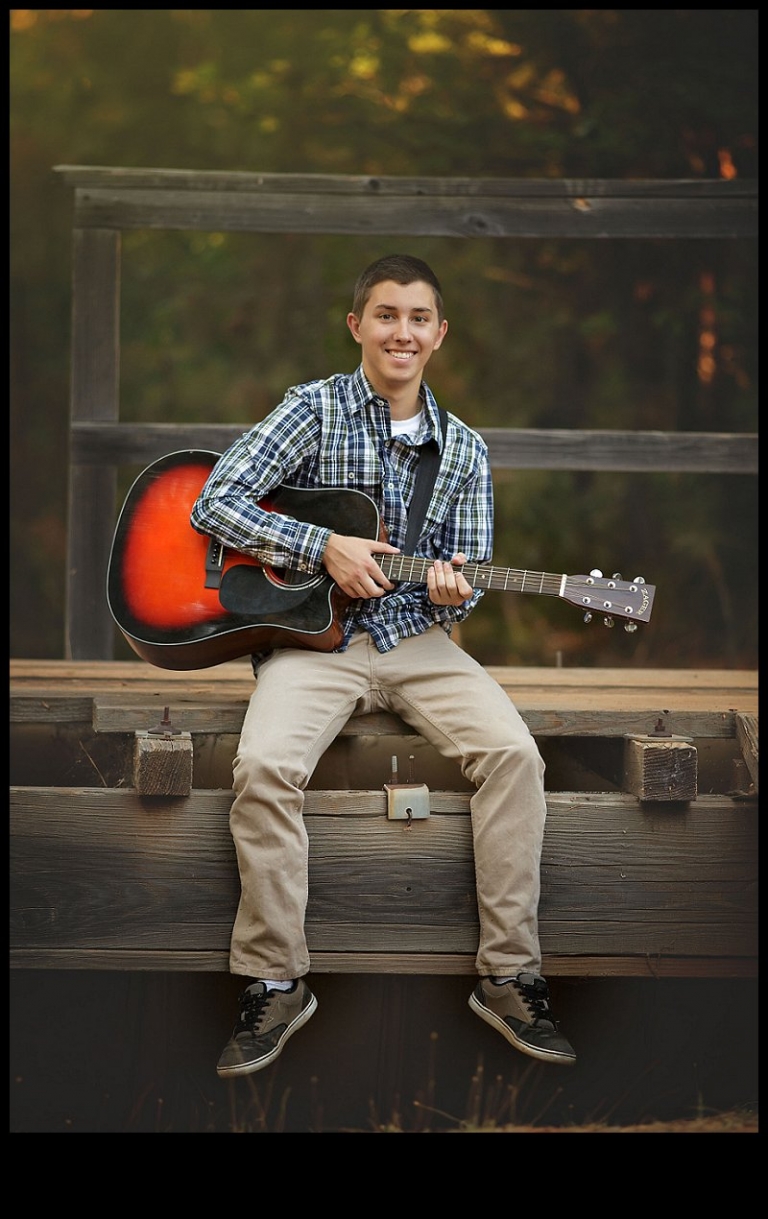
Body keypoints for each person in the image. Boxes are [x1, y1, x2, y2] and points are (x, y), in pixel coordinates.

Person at [190, 253, 576, 1078]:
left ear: (440, 334)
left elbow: (464, 583)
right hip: (312, 640)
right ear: (358, 324)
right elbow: (213, 498)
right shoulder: (314, 409)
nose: (403, 331)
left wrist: (447, 591)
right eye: (387, 314)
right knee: (261, 765)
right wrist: (320, 546)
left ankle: (509, 974)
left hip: (415, 640)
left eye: (418, 318)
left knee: (515, 755)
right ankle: (276, 978)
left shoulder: (464, 450)